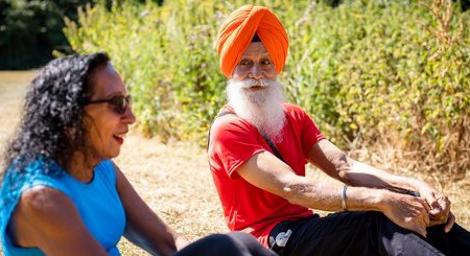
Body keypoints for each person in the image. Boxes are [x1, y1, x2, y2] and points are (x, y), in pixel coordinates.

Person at [207, 4, 470, 256]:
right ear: (231, 68)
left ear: (276, 66)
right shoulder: (228, 129)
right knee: (377, 222)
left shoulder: (292, 116)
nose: (257, 73)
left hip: (305, 229)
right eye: (245, 63)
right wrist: (381, 199)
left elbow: (343, 166)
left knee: (414, 209)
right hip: (270, 242)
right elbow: (291, 187)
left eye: (265, 62)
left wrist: (415, 189)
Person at [0, 53, 277, 256]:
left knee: (239, 244)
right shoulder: (41, 197)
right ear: (70, 113)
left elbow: (166, 243)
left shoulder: (100, 167)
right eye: (116, 103)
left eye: (127, 101)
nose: (130, 117)